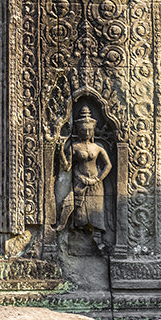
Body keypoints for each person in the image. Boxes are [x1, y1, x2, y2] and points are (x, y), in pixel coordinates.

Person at [55, 105, 112, 250]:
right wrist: (61, 150)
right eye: (83, 130)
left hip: (96, 184)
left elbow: (108, 165)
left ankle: (98, 240)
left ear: (93, 130)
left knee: (96, 212)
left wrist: (98, 179)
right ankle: (78, 239)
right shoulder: (75, 147)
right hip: (80, 182)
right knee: (79, 212)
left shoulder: (98, 147)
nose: (86, 132)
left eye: (89, 130)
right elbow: (67, 166)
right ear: (78, 131)